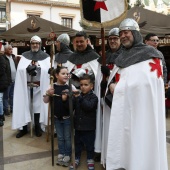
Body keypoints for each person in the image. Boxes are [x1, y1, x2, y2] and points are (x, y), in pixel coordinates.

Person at [105, 18, 168, 170]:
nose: (122, 36)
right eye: (120, 33)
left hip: (143, 112)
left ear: (135, 33)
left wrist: (117, 88)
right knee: (127, 143)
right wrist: (109, 84)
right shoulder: (122, 56)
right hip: (126, 109)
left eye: (126, 32)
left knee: (141, 141)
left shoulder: (151, 55)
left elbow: (148, 84)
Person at [12, 35, 50, 138]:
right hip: (26, 87)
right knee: (25, 106)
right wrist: (27, 68)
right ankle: (24, 128)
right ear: (30, 44)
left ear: (40, 44)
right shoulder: (24, 55)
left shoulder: (45, 56)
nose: (35, 45)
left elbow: (47, 71)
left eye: (37, 43)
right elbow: (20, 70)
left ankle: (37, 127)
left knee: (37, 107)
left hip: (38, 87)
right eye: (33, 43)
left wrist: (38, 68)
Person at [96, 28, 123, 165]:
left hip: (119, 98)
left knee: (118, 127)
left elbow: (124, 75)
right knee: (105, 125)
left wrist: (110, 72)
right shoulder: (103, 56)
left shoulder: (125, 55)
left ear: (120, 39)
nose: (112, 41)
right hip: (104, 97)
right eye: (110, 39)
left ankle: (118, 159)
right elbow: (98, 77)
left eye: (115, 38)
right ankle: (105, 155)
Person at [43, 66, 76, 167]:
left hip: (67, 117)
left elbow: (76, 98)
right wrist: (49, 94)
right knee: (60, 137)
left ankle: (67, 154)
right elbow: (45, 101)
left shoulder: (70, 86)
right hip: (56, 117)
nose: (66, 75)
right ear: (56, 75)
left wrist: (71, 95)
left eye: (67, 73)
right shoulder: (52, 86)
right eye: (63, 73)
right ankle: (61, 152)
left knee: (67, 137)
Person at [69, 74, 98, 170]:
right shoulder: (77, 96)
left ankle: (90, 159)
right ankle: (76, 158)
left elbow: (88, 107)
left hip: (89, 127)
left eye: (86, 85)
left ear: (91, 86)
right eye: (81, 85)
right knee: (78, 144)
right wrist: (67, 99)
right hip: (78, 126)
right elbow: (70, 108)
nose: (83, 87)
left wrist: (78, 98)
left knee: (89, 145)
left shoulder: (94, 97)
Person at [0, 49, 10, 126]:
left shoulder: (1, 59)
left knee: (0, 99)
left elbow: (2, 70)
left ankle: (1, 115)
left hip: (1, 83)